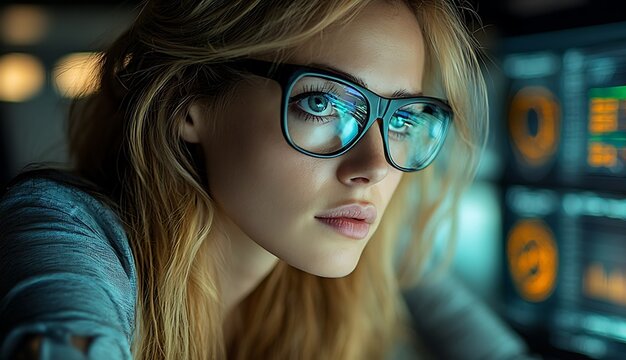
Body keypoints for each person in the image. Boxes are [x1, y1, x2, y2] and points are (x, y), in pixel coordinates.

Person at [0, 0, 534, 359]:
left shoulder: (361, 242)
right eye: (322, 103)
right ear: (190, 101)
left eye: (402, 118)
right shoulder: (68, 227)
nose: (373, 166)